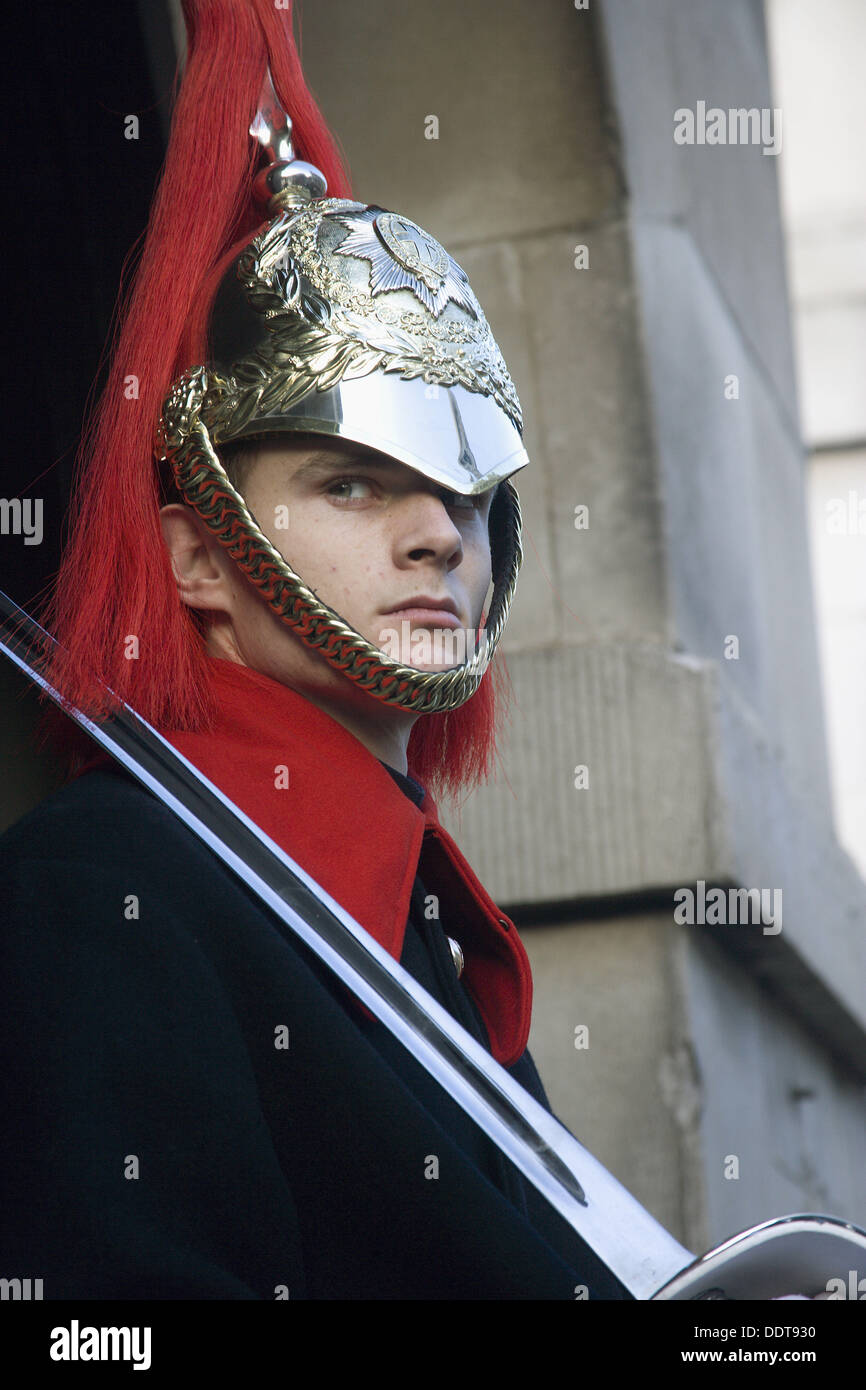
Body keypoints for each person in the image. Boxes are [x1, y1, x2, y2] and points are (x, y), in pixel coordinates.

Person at [0, 0, 632, 1300]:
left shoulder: (431, 939)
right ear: (193, 558)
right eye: (352, 484)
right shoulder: (100, 888)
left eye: (462, 492)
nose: (434, 537)